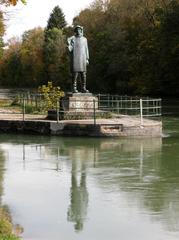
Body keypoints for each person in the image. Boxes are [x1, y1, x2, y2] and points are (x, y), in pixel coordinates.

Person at [67, 25, 89, 93]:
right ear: (75, 31)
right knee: (75, 74)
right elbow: (70, 49)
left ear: (81, 31)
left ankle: (83, 88)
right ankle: (74, 88)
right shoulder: (73, 39)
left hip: (83, 58)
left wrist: (87, 58)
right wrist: (69, 41)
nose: (78, 31)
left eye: (79, 30)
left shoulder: (85, 39)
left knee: (83, 74)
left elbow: (86, 49)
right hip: (75, 58)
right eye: (77, 30)